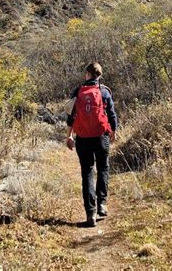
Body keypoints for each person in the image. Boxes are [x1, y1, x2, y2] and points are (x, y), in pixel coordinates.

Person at [66, 62, 117, 227]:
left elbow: (71, 115)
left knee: (87, 172)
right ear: (99, 76)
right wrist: (113, 132)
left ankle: (90, 213)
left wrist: (69, 136)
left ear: (87, 74)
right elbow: (111, 114)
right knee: (103, 167)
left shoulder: (78, 91)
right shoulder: (104, 91)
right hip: (101, 136)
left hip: (82, 138)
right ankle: (102, 204)